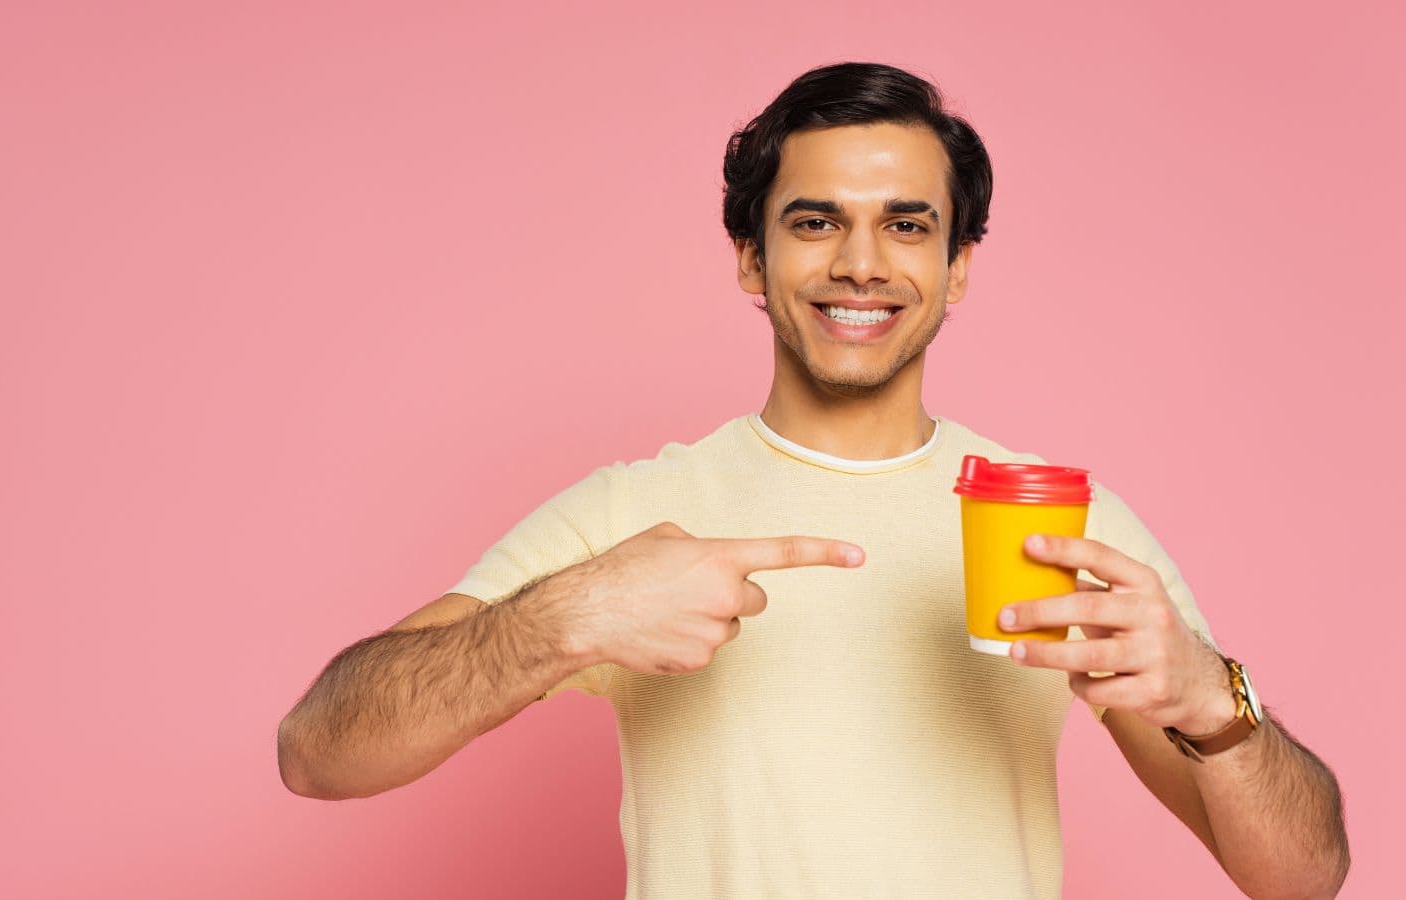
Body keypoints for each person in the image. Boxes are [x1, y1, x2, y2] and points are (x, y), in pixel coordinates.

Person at [277, 62, 1349, 899]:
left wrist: (1213, 701)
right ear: (751, 259)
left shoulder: (1059, 523)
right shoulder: (631, 511)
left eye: (906, 225)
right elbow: (318, 755)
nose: (861, 263)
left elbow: (1299, 878)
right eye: (814, 221)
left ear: (957, 267)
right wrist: (569, 613)